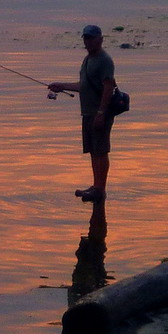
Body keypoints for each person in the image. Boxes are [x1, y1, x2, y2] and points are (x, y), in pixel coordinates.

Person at [48, 24, 117, 203]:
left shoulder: (104, 60)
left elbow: (108, 86)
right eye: (85, 38)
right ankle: (95, 187)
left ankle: (100, 190)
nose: (87, 41)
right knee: (93, 151)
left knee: (101, 151)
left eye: (91, 38)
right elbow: (83, 86)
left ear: (100, 39)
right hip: (87, 113)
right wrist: (62, 86)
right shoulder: (87, 60)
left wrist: (101, 112)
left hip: (99, 112)